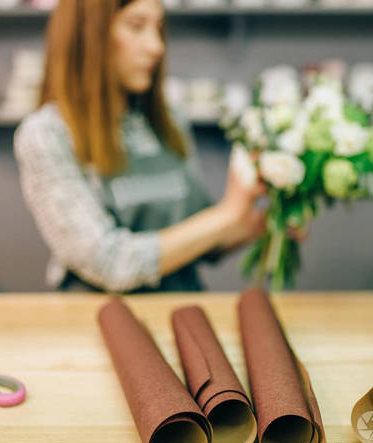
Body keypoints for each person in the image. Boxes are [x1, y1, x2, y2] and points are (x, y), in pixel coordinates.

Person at [13, 0, 266, 293]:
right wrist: (227, 214)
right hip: (104, 321)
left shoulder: (168, 119)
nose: (156, 46)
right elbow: (110, 264)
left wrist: (261, 223)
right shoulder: (46, 134)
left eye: (158, 29)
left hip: (184, 312)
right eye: (137, 26)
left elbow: (200, 239)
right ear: (87, 33)